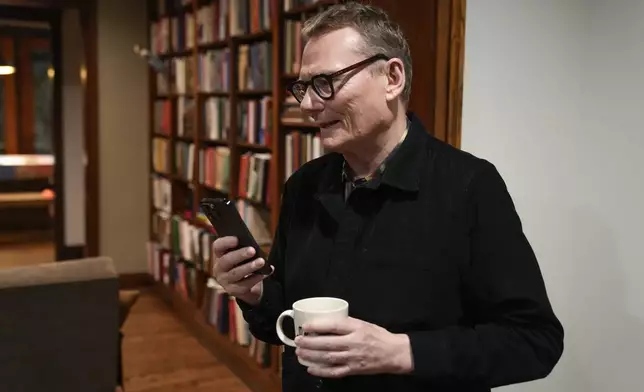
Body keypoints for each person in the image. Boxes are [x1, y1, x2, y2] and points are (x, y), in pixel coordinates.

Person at [212, 2, 564, 391]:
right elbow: (286, 324)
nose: (308, 104)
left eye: (325, 82)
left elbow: (535, 342)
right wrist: (254, 293)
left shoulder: (469, 186)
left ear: (392, 78)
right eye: (304, 87)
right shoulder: (303, 185)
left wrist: (401, 352)